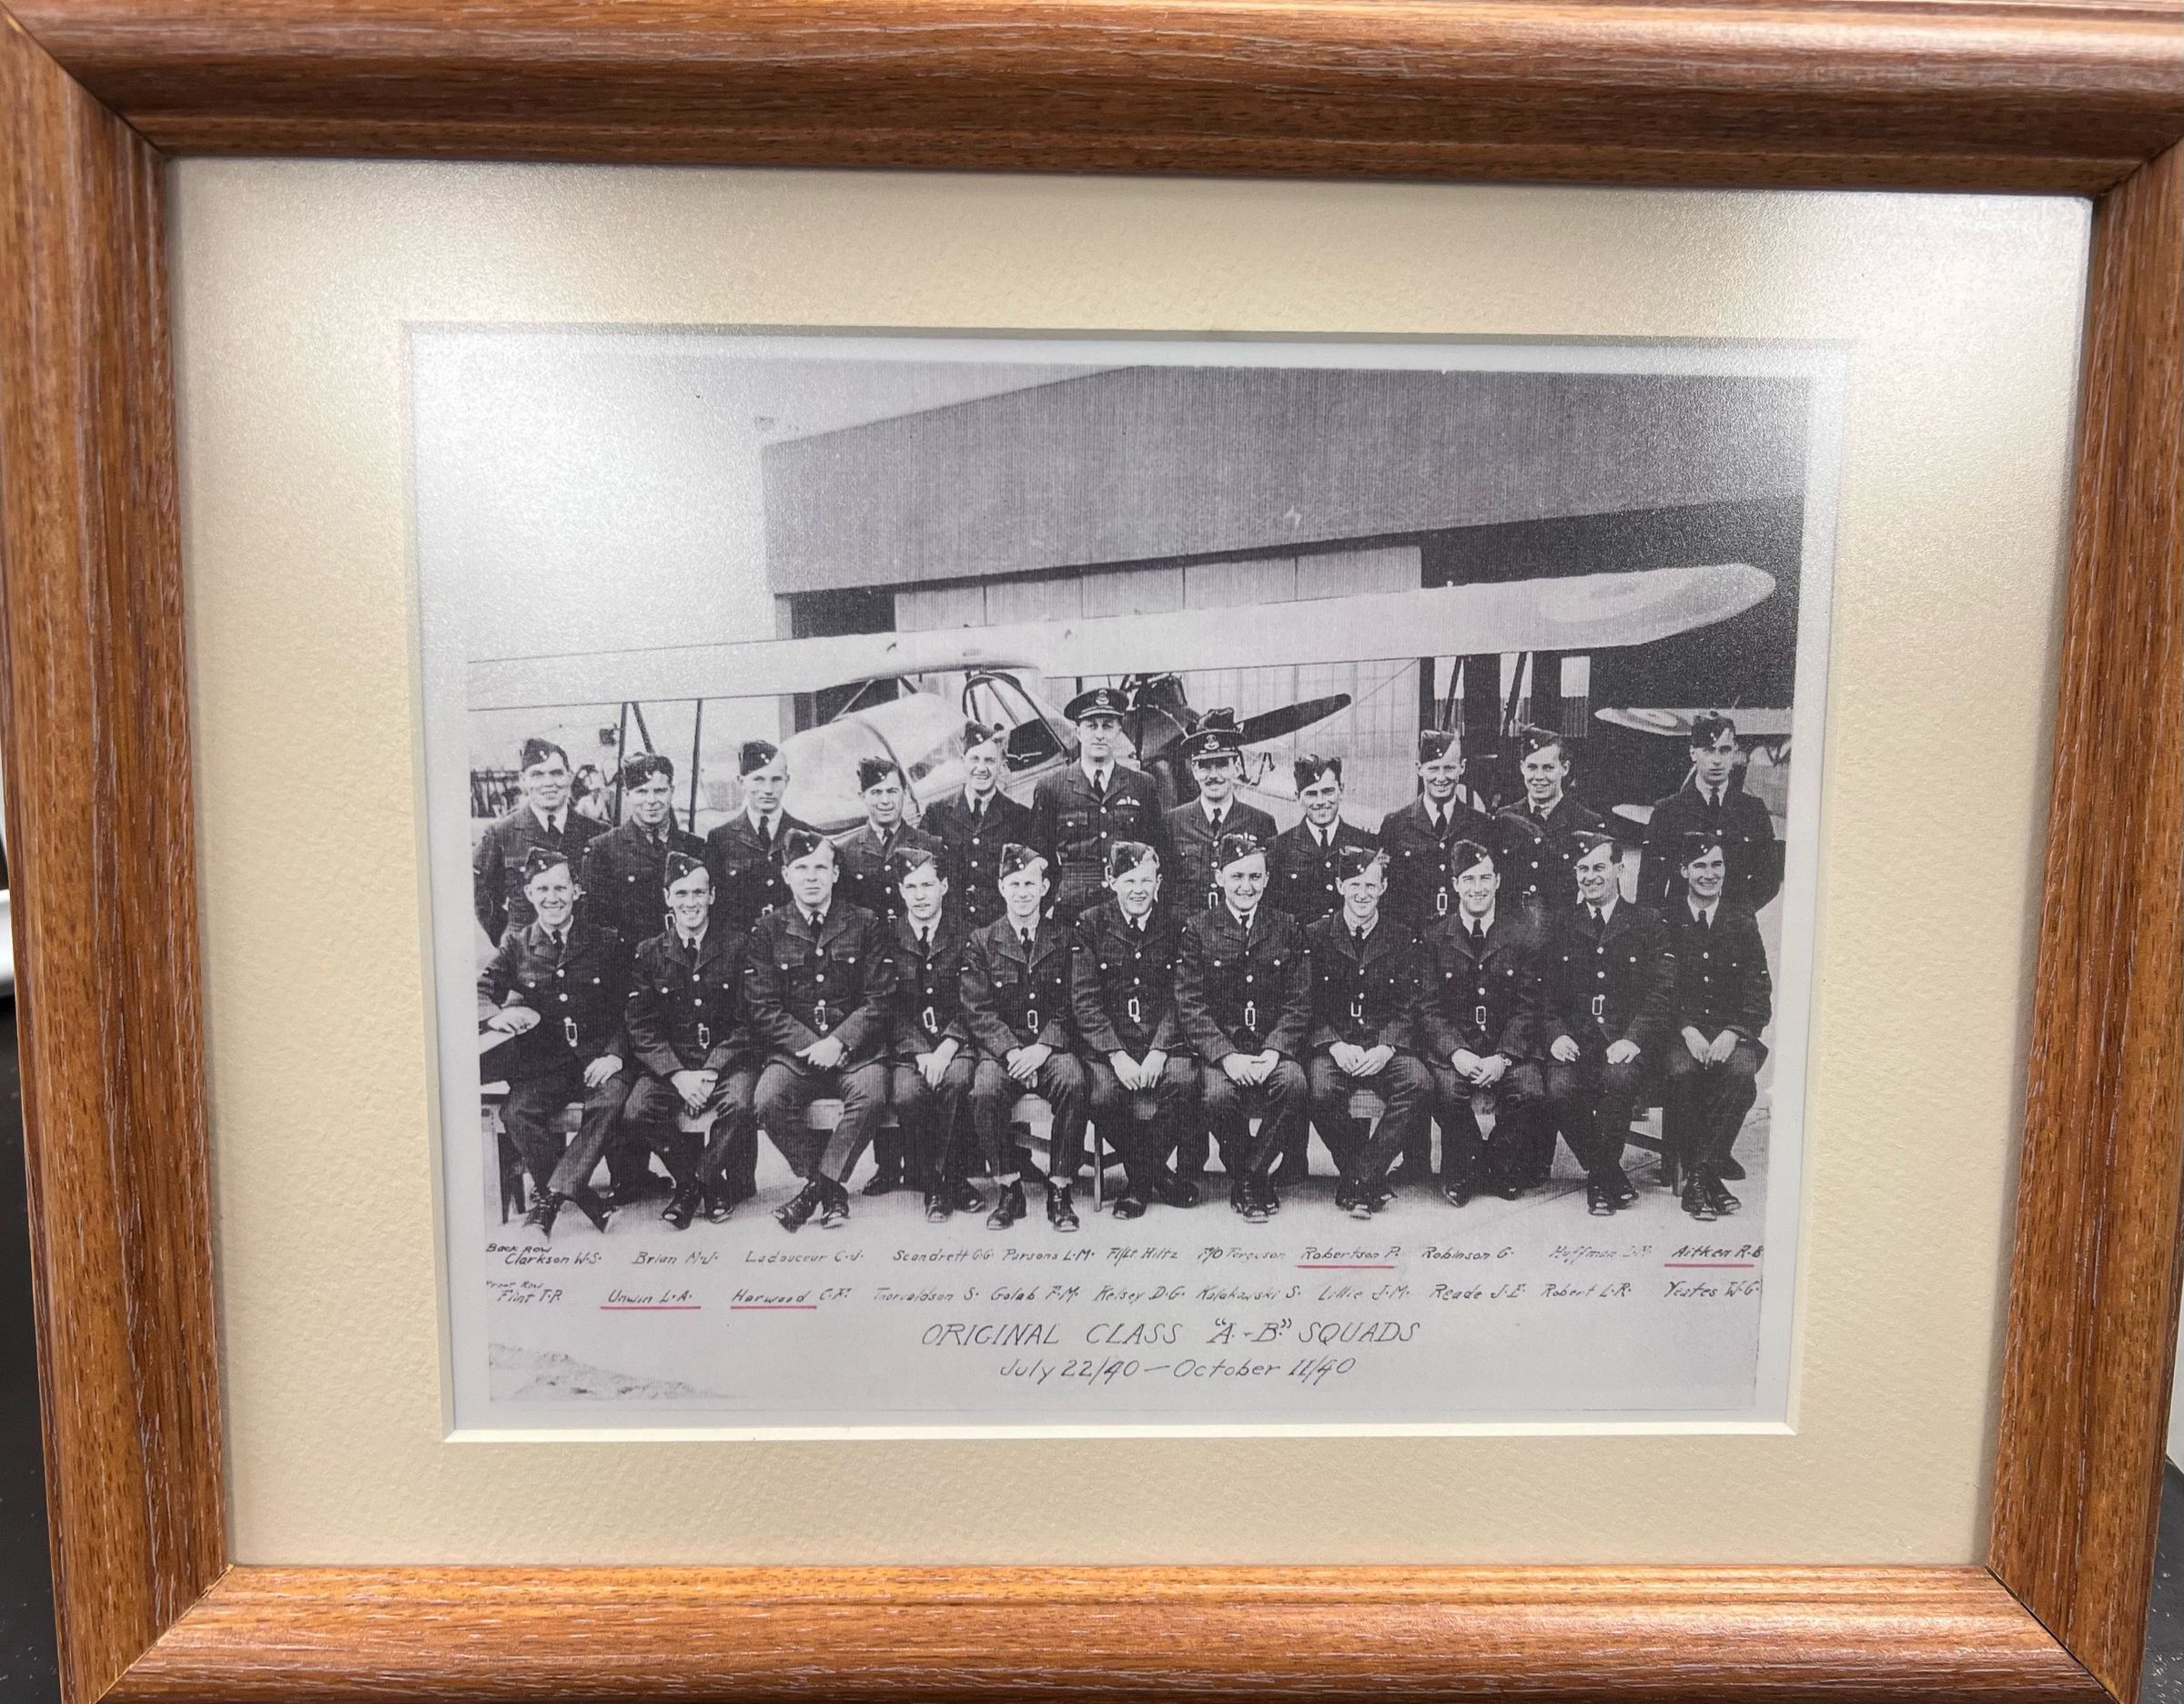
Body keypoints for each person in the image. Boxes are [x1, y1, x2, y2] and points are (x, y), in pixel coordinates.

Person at [745, 829, 897, 1232]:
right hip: (797, 1054)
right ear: (785, 875)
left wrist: (839, 1041)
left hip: (857, 1050)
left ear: (834, 874)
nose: (810, 877)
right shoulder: (767, 930)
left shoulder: (866, 923)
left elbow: (879, 998)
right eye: (801, 869)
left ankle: (816, 1190)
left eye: (819, 868)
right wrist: (814, 1046)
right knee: (767, 1099)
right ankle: (828, 1188)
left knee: (872, 1095)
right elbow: (763, 1007)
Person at [476, 847, 629, 1239]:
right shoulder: (516, 945)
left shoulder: (606, 941)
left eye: (560, 887)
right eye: (542, 889)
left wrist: (614, 1054)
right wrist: (495, 1014)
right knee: (516, 1112)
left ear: (577, 891)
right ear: (528, 894)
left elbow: (632, 1008)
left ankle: (549, 1200)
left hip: (597, 1058)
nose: (552, 897)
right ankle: (582, 1197)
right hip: (545, 1064)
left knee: (611, 1102)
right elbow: (478, 992)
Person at [1175, 831, 1312, 1224]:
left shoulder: (1287, 927)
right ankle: (1252, 1177)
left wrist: (1274, 1050)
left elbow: (1299, 1000)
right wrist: (1225, 1055)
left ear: (1267, 879)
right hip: (1223, 1053)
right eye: (1237, 876)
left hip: (1271, 1048)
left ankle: (1249, 1177)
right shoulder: (1198, 929)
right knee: (1217, 1098)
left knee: (1294, 1084)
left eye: (1254, 877)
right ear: (1218, 877)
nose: (1246, 886)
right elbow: (1191, 1004)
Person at [622, 853, 762, 1230]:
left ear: (712, 896)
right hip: (675, 1062)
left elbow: (749, 1022)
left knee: (741, 1106)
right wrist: (678, 1075)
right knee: (637, 1111)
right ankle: (706, 1185)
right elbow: (641, 1027)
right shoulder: (649, 953)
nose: (690, 902)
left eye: (699, 892)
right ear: (667, 897)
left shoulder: (738, 946)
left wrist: (713, 1069)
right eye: (681, 893)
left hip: (729, 1062)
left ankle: (692, 1189)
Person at [961, 845, 1091, 1232]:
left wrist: (1044, 1046)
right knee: (984, 1091)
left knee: (1074, 1082)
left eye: (1030, 884)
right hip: (1005, 1050)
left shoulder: (1067, 938)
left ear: (1045, 887)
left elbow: (1076, 1001)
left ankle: (1060, 1188)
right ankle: (1009, 1188)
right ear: (1001, 887)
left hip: (1051, 1047)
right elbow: (977, 1009)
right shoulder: (982, 941)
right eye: (1014, 884)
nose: (1022, 892)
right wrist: (1013, 1050)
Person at [1542, 830, 1672, 1217]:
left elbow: (1662, 991)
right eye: (1582, 869)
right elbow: (1544, 994)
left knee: (1618, 1080)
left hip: (1624, 1044)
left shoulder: (1647, 922)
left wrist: (1634, 1039)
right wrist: (1556, 1034)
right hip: (1577, 1044)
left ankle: (1599, 1183)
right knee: (1558, 1088)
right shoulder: (1561, 924)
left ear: (1620, 868)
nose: (1590, 876)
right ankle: (1610, 1173)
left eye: (1599, 867)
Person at [1069, 841, 1200, 1219]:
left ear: (1159, 882)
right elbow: (1085, 1001)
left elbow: (1182, 997)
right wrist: (1116, 1054)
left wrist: (1160, 1049)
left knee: (1184, 1083)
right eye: (1129, 880)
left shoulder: (1179, 925)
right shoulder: (1090, 924)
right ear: (1112, 881)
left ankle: (1138, 1184)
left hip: (1165, 1042)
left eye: (1146, 880)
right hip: (1110, 1046)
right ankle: (1156, 1175)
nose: (1138, 889)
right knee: (1102, 1095)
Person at [1303, 847, 1435, 1221]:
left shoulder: (1402, 936)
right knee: (1320, 1089)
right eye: (1355, 884)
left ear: (1384, 887)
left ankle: (1360, 1178)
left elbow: (1413, 1000)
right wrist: (1331, 1043)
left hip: (1382, 1045)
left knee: (1420, 1083)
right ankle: (1368, 1180)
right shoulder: (1315, 935)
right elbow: (1303, 1001)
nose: (1363, 893)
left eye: (1371, 885)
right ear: (1340, 886)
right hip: (1335, 1047)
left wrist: (1389, 1045)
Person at [1419, 839, 1547, 1204]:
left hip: (1506, 1049)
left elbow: (1529, 1006)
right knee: (1446, 1093)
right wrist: (1456, 1051)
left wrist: (1503, 1057)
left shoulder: (1522, 935)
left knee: (1531, 1093)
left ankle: (1485, 1167)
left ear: (1498, 881)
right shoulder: (1434, 936)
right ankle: (1472, 1168)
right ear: (1455, 884)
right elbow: (1428, 1007)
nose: (1478, 888)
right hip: (1455, 1052)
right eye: (1469, 879)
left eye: (1485, 878)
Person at [1661, 831, 1772, 1222]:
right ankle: (1709, 1178)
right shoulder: (1667, 918)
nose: (1710, 874)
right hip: (1680, 1034)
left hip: (1730, 1032)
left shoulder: (1741, 918)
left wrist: (1733, 1032)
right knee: (1681, 1072)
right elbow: (1659, 987)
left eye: (1717, 865)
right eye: (1700, 866)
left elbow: (1759, 990)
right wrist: (1687, 1029)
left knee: (1742, 1076)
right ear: (1684, 871)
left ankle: (1698, 1176)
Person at [883, 847, 981, 1222]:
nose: (920, 895)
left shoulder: (967, 934)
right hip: (909, 1049)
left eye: (928, 885)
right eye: (911, 886)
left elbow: (973, 999)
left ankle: (949, 1180)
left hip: (957, 1043)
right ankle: (936, 1182)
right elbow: (886, 1005)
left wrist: (946, 1048)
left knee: (957, 1083)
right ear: (901, 891)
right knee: (907, 1095)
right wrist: (920, 1052)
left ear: (944, 886)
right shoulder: (887, 937)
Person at [1030, 685, 1168, 924]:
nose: (1100, 734)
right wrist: (1051, 905)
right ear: (1078, 731)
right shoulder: (1051, 787)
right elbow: (1040, 856)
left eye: (1107, 725)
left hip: (1126, 906)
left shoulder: (1142, 785)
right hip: (1073, 910)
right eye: (1092, 726)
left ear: (1118, 731)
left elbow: (1158, 850)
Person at [1635, 713, 1783, 913]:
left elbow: (1769, 879)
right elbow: (1649, 891)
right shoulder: (1667, 812)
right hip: (1681, 933)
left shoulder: (1753, 810)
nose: (1717, 760)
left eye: (1724, 750)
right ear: (1693, 753)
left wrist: (1734, 913)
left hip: (1735, 933)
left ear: (1734, 753)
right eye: (1708, 751)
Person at [473, 737, 609, 944]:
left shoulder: (598, 833)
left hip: (585, 955)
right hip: (526, 957)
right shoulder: (500, 834)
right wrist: (513, 938)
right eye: (537, 774)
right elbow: (483, 898)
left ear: (570, 777)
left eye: (556, 773)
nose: (548, 783)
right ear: (523, 780)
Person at [579, 752, 706, 946]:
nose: (651, 800)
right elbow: (595, 925)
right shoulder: (603, 850)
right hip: (631, 965)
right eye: (641, 792)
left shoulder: (694, 847)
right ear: (627, 794)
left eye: (660, 791)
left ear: (672, 791)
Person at [1379, 728, 1497, 933]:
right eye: (1433, 769)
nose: (1441, 778)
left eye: (1449, 768)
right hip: (1412, 940)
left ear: (1462, 767)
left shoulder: (1482, 826)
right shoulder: (1395, 825)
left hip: (1462, 942)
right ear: (1419, 769)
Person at [1163, 710, 1277, 916]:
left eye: (1223, 765)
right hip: (1186, 936)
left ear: (1237, 767)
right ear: (1195, 770)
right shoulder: (1173, 822)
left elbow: (1270, 892)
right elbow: (1165, 889)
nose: (1213, 776)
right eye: (1205, 766)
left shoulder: (1261, 823)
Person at [923, 720, 1036, 927]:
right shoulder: (936, 814)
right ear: (962, 761)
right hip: (950, 931)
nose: (981, 768)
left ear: (1002, 766)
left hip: (999, 931)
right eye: (974, 759)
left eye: (990, 761)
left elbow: (1044, 876)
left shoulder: (1020, 817)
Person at [1493, 729, 1607, 925]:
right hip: (1513, 936)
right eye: (1532, 767)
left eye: (1548, 768)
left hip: (1565, 937)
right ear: (1522, 767)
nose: (1539, 776)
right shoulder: (1504, 819)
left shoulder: (1588, 822)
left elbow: (1604, 896)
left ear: (1565, 768)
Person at [703, 740, 814, 938]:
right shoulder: (720, 839)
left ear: (787, 781)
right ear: (741, 781)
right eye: (758, 779)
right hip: (741, 953)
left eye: (776, 779)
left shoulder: (807, 835)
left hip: (795, 950)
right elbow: (714, 910)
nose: (768, 789)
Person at [835, 756, 943, 928]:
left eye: (892, 791)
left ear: (905, 793)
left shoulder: (931, 845)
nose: (885, 801)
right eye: (876, 792)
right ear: (862, 797)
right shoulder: (844, 852)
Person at [1269, 755, 1376, 925]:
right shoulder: (1279, 847)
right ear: (1298, 796)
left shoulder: (1366, 843)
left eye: (1328, 792)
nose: (1320, 802)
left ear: (1341, 790)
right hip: (1299, 948)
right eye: (1311, 794)